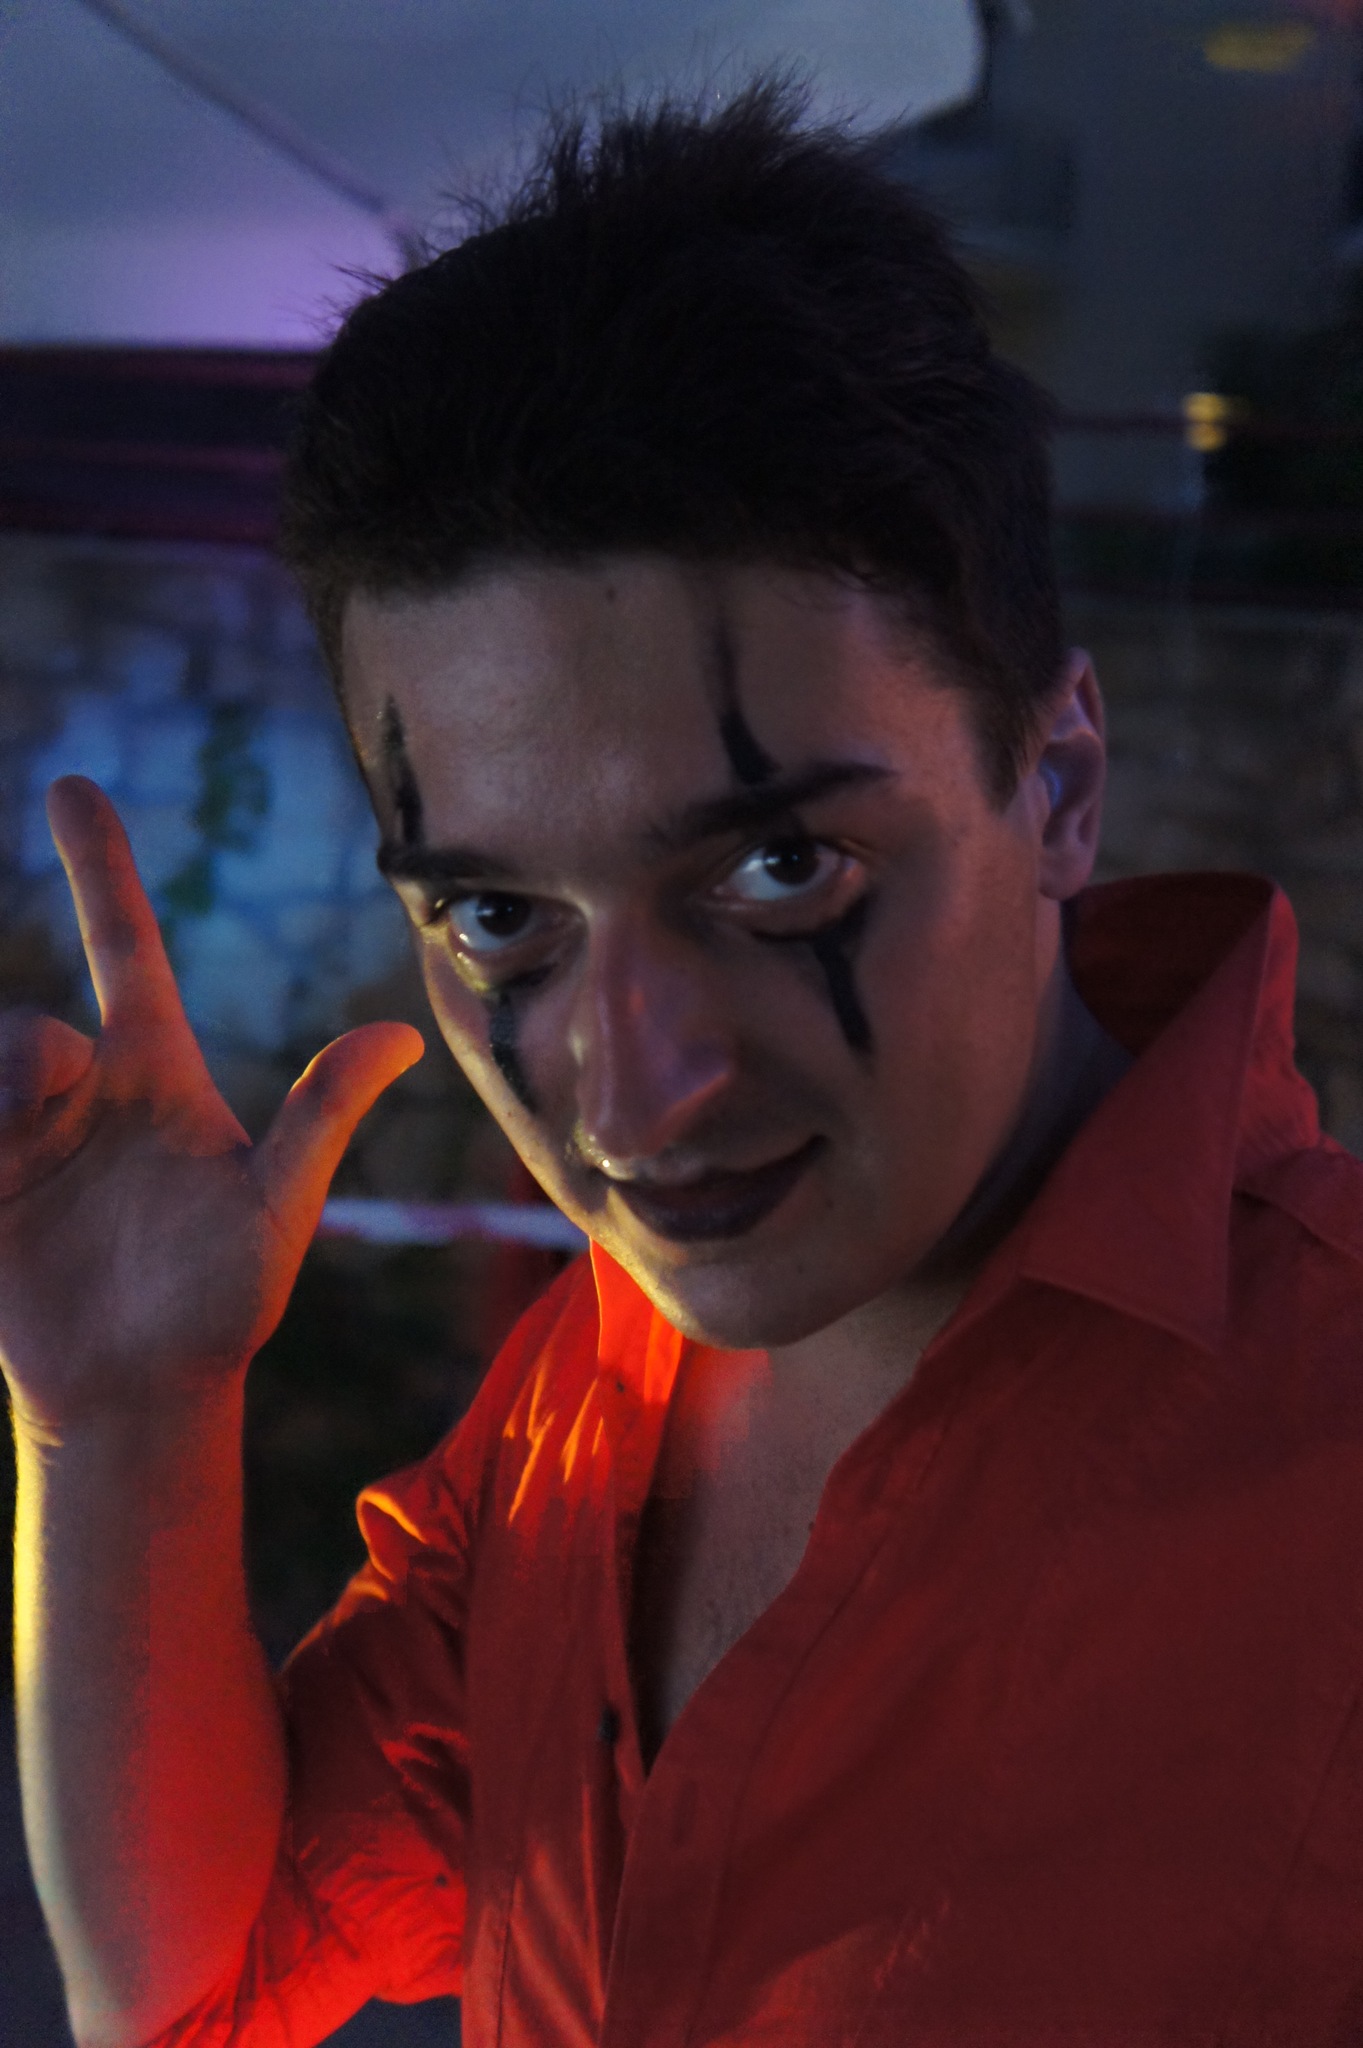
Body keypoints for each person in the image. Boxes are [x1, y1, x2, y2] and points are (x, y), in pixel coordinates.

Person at [4, 78, 1362, 2048]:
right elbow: (208, 1977)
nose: (633, 1098)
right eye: (498, 915)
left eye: (778, 869)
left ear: (1057, 782)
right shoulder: (590, 1389)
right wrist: (122, 1423)